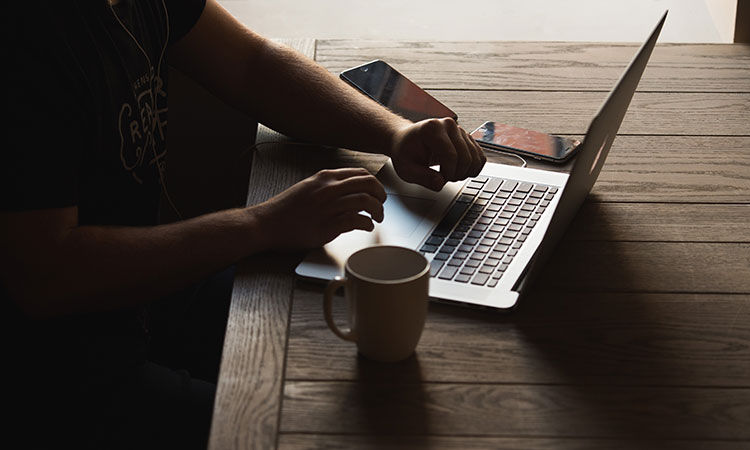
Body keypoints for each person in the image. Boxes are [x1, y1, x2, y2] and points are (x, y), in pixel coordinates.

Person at [1, 0, 485, 448]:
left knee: (352, 333)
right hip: (57, 369)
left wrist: (393, 132)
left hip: (142, 298)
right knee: (308, 428)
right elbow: (47, 275)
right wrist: (261, 224)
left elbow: (252, 65)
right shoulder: (27, 35)